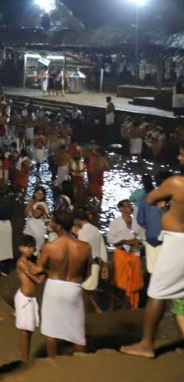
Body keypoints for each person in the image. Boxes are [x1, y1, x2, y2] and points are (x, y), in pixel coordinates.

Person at [121, 150, 184, 358]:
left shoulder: (176, 183)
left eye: (182, 154)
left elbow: (149, 199)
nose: (178, 157)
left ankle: (146, 344)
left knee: (156, 293)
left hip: (178, 243)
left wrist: (163, 200)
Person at [38, 209, 90, 356]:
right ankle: (80, 363)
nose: (50, 223)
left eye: (52, 222)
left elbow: (38, 269)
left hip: (54, 287)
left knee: (51, 329)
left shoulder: (50, 246)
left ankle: (53, 363)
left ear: (58, 227)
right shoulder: (85, 247)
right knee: (78, 330)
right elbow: (87, 273)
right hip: (74, 287)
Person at [107, 199, 144, 309]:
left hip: (134, 254)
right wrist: (125, 241)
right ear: (121, 209)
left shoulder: (136, 222)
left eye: (130, 206)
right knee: (120, 280)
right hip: (121, 254)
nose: (130, 208)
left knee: (135, 280)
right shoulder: (115, 223)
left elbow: (142, 237)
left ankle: (133, 304)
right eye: (127, 206)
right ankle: (119, 304)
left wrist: (138, 241)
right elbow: (110, 238)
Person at [14, 235, 43, 361]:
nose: (29, 249)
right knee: (25, 331)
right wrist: (45, 271)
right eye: (26, 247)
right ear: (20, 248)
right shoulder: (21, 263)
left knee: (29, 331)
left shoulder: (34, 261)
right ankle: (25, 360)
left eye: (31, 247)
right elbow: (37, 279)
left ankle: (26, 358)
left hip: (31, 299)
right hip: (24, 299)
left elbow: (39, 278)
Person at [73, 208, 108, 314]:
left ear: (78, 220)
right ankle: (96, 310)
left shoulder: (82, 232)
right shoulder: (95, 230)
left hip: (86, 266)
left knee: (83, 292)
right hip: (96, 265)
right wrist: (104, 266)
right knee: (88, 292)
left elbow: (81, 251)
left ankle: (88, 314)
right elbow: (102, 249)